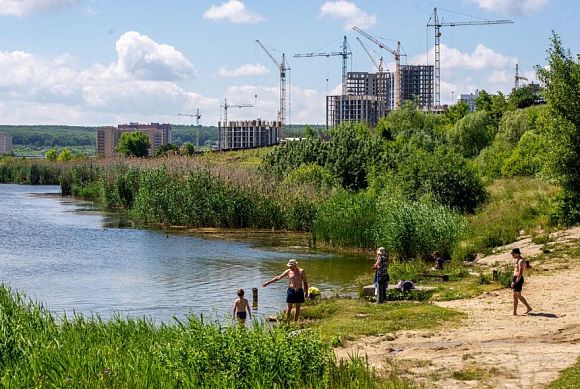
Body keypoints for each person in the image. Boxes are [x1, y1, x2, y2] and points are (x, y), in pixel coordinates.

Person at [511, 248, 532, 316]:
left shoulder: (521, 261)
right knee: (519, 296)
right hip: (516, 278)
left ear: (517, 253)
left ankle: (514, 312)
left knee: (515, 296)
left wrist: (516, 281)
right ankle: (528, 308)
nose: (512, 255)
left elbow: (520, 272)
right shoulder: (518, 260)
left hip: (518, 279)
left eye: (513, 254)